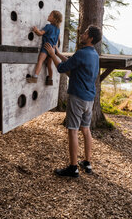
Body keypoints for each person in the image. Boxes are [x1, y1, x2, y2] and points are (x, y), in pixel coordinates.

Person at [44, 25, 102, 178]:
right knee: (86, 129)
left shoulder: (82, 53)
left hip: (77, 97)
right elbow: (72, 63)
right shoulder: (94, 54)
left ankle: (73, 167)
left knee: (73, 130)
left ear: (90, 38)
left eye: (85, 33)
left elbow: (62, 68)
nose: (82, 34)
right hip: (89, 99)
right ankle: (87, 162)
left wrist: (51, 54)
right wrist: (58, 53)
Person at [27, 10, 62, 85]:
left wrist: (36, 30)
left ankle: (35, 77)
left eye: (50, 15)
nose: (48, 15)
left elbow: (40, 33)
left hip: (46, 48)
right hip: (52, 49)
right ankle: (50, 79)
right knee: (49, 65)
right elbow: (58, 40)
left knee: (40, 61)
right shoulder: (58, 30)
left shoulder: (48, 27)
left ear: (54, 19)